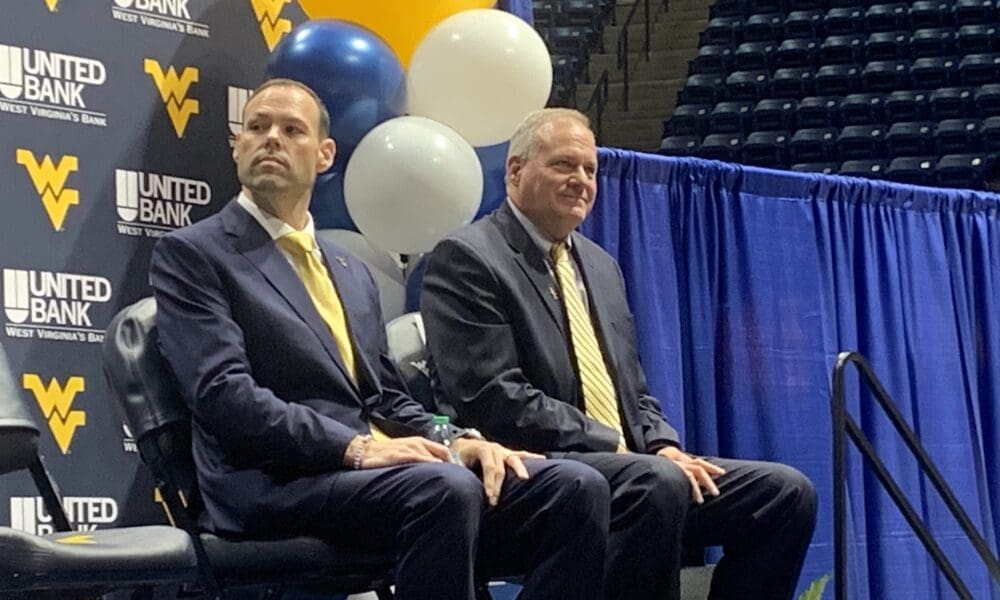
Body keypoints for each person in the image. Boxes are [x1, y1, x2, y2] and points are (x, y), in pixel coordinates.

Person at [149, 81, 610, 600]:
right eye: (257, 127)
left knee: (576, 487)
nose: (272, 138)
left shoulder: (350, 270)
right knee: (445, 488)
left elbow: (386, 397)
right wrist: (355, 449)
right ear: (237, 147)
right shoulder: (193, 254)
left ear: (325, 155)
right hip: (274, 481)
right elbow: (224, 396)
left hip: (376, 474)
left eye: (292, 129)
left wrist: (457, 440)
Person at [421, 108, 818, 600]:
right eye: (564, 165)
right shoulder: (468, 257)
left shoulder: (600, 266)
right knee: (655, 483)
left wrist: (662, 444)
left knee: (783, 493)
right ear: (516, 170)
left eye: (590, 170)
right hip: (530, 469)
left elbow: (634, 391)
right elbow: (494, 398)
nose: (581, 181)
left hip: (629, 466)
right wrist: (617, 448)